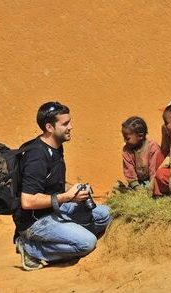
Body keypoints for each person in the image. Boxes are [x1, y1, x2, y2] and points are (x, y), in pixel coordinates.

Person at [13, 102, 112, 271]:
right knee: (87, 243)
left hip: (54, 209)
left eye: (69, 122)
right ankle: (31, 248)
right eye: (65, 124)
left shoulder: (56, 147)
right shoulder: (36, 157)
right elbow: (27, 201)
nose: (70, 127)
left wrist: (76, 190)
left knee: (105, 214)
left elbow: (52, 184)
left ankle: (66, 232)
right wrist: (67, 197)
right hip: (35, 221)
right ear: (49, 127)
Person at [122, 116, 162, 189]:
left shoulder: (152, 147)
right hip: (136, 184)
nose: (125, 141)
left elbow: (154, 170)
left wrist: (151, 187)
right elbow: (129, 172)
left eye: (127, 138)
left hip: (152, 182)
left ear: (140, 136)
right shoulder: (127, 150)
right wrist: (137, 188)